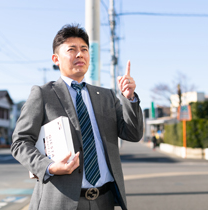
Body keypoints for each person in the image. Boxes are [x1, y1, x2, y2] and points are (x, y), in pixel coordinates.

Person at [11, 24, 143, 210]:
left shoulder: (106, 96)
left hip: (104, 200)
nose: (80, 54)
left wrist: (129, 99)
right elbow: (20, 142)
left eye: (84, 49)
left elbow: (133, 134)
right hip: (59, 200)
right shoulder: (43, 94)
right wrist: (49, 167)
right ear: (56, 59)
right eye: (71, 50)